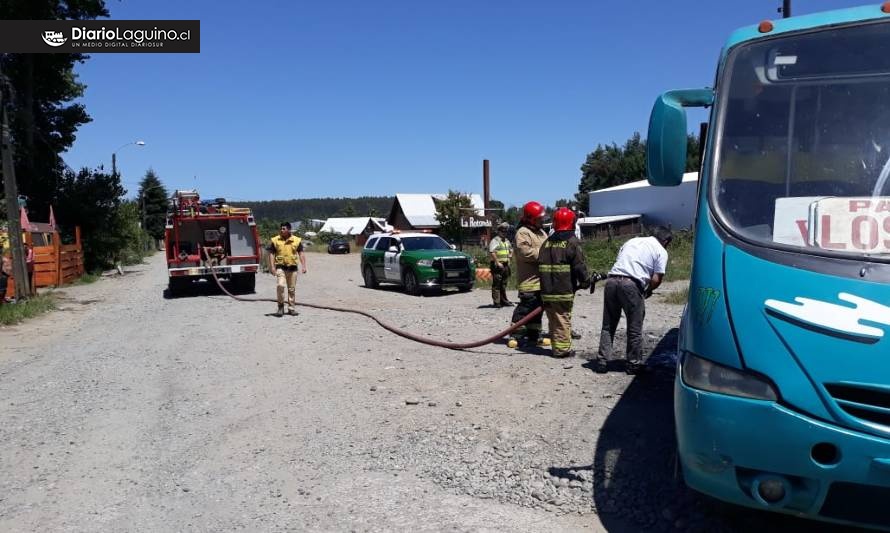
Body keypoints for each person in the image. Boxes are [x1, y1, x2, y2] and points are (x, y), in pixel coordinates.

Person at [594, 226, 673, 374]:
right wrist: (648, 290)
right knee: (634, 327)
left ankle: (602, 361)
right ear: (666, 240)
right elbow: (657, 278)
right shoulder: (661, 250)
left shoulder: (632, 241)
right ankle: (633, 364)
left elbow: (621, 261)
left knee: (608, 324)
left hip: (611, 281)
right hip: (631, 284)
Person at [539, 208, 590, 358]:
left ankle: (557, 347)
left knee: (553, 320)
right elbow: (579, 267)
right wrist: (585, 282)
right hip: (563, 291)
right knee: (562, 319)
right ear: (571, 223)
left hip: (547, 291)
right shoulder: (571, 243)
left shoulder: (546, 243)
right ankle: (562, 351)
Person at [508, 201, 550, 348]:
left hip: (542, 281)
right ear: (531, 219)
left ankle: (534, 336)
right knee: (525, 308)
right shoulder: (523, 233)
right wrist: (546, 254)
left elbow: (549, 246)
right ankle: (515, 335)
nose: (542, 221)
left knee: (538, 311)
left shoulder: (542, 232)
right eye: (539, 218)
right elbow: (524, 252)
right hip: (529, 281)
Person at [267, 222, 307, 317]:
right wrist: (272, 267)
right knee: (280, 285)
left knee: (291, 289)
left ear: (289, 230)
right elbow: (271, 254)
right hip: (280, 267)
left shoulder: (296, 240)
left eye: (284, 229)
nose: (282, 230)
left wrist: (304, 266)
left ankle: (291, 308)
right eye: (281, 228)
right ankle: (280, 307)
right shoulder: (275, 240)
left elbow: (301, 253)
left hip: (293, 268)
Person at [488, 222, 513, 308]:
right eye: (503, 231)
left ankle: (504, 300)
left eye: (506, 232)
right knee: (497, 284)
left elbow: (510, 249)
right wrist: (497, 262)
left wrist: (510, 255)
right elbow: (492, 252)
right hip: (497, 265)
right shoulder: (495, 240)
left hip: (505, 264)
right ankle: (497, 302)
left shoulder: (506, 240)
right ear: (499, 231)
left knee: (503, 284)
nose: (504, 233)